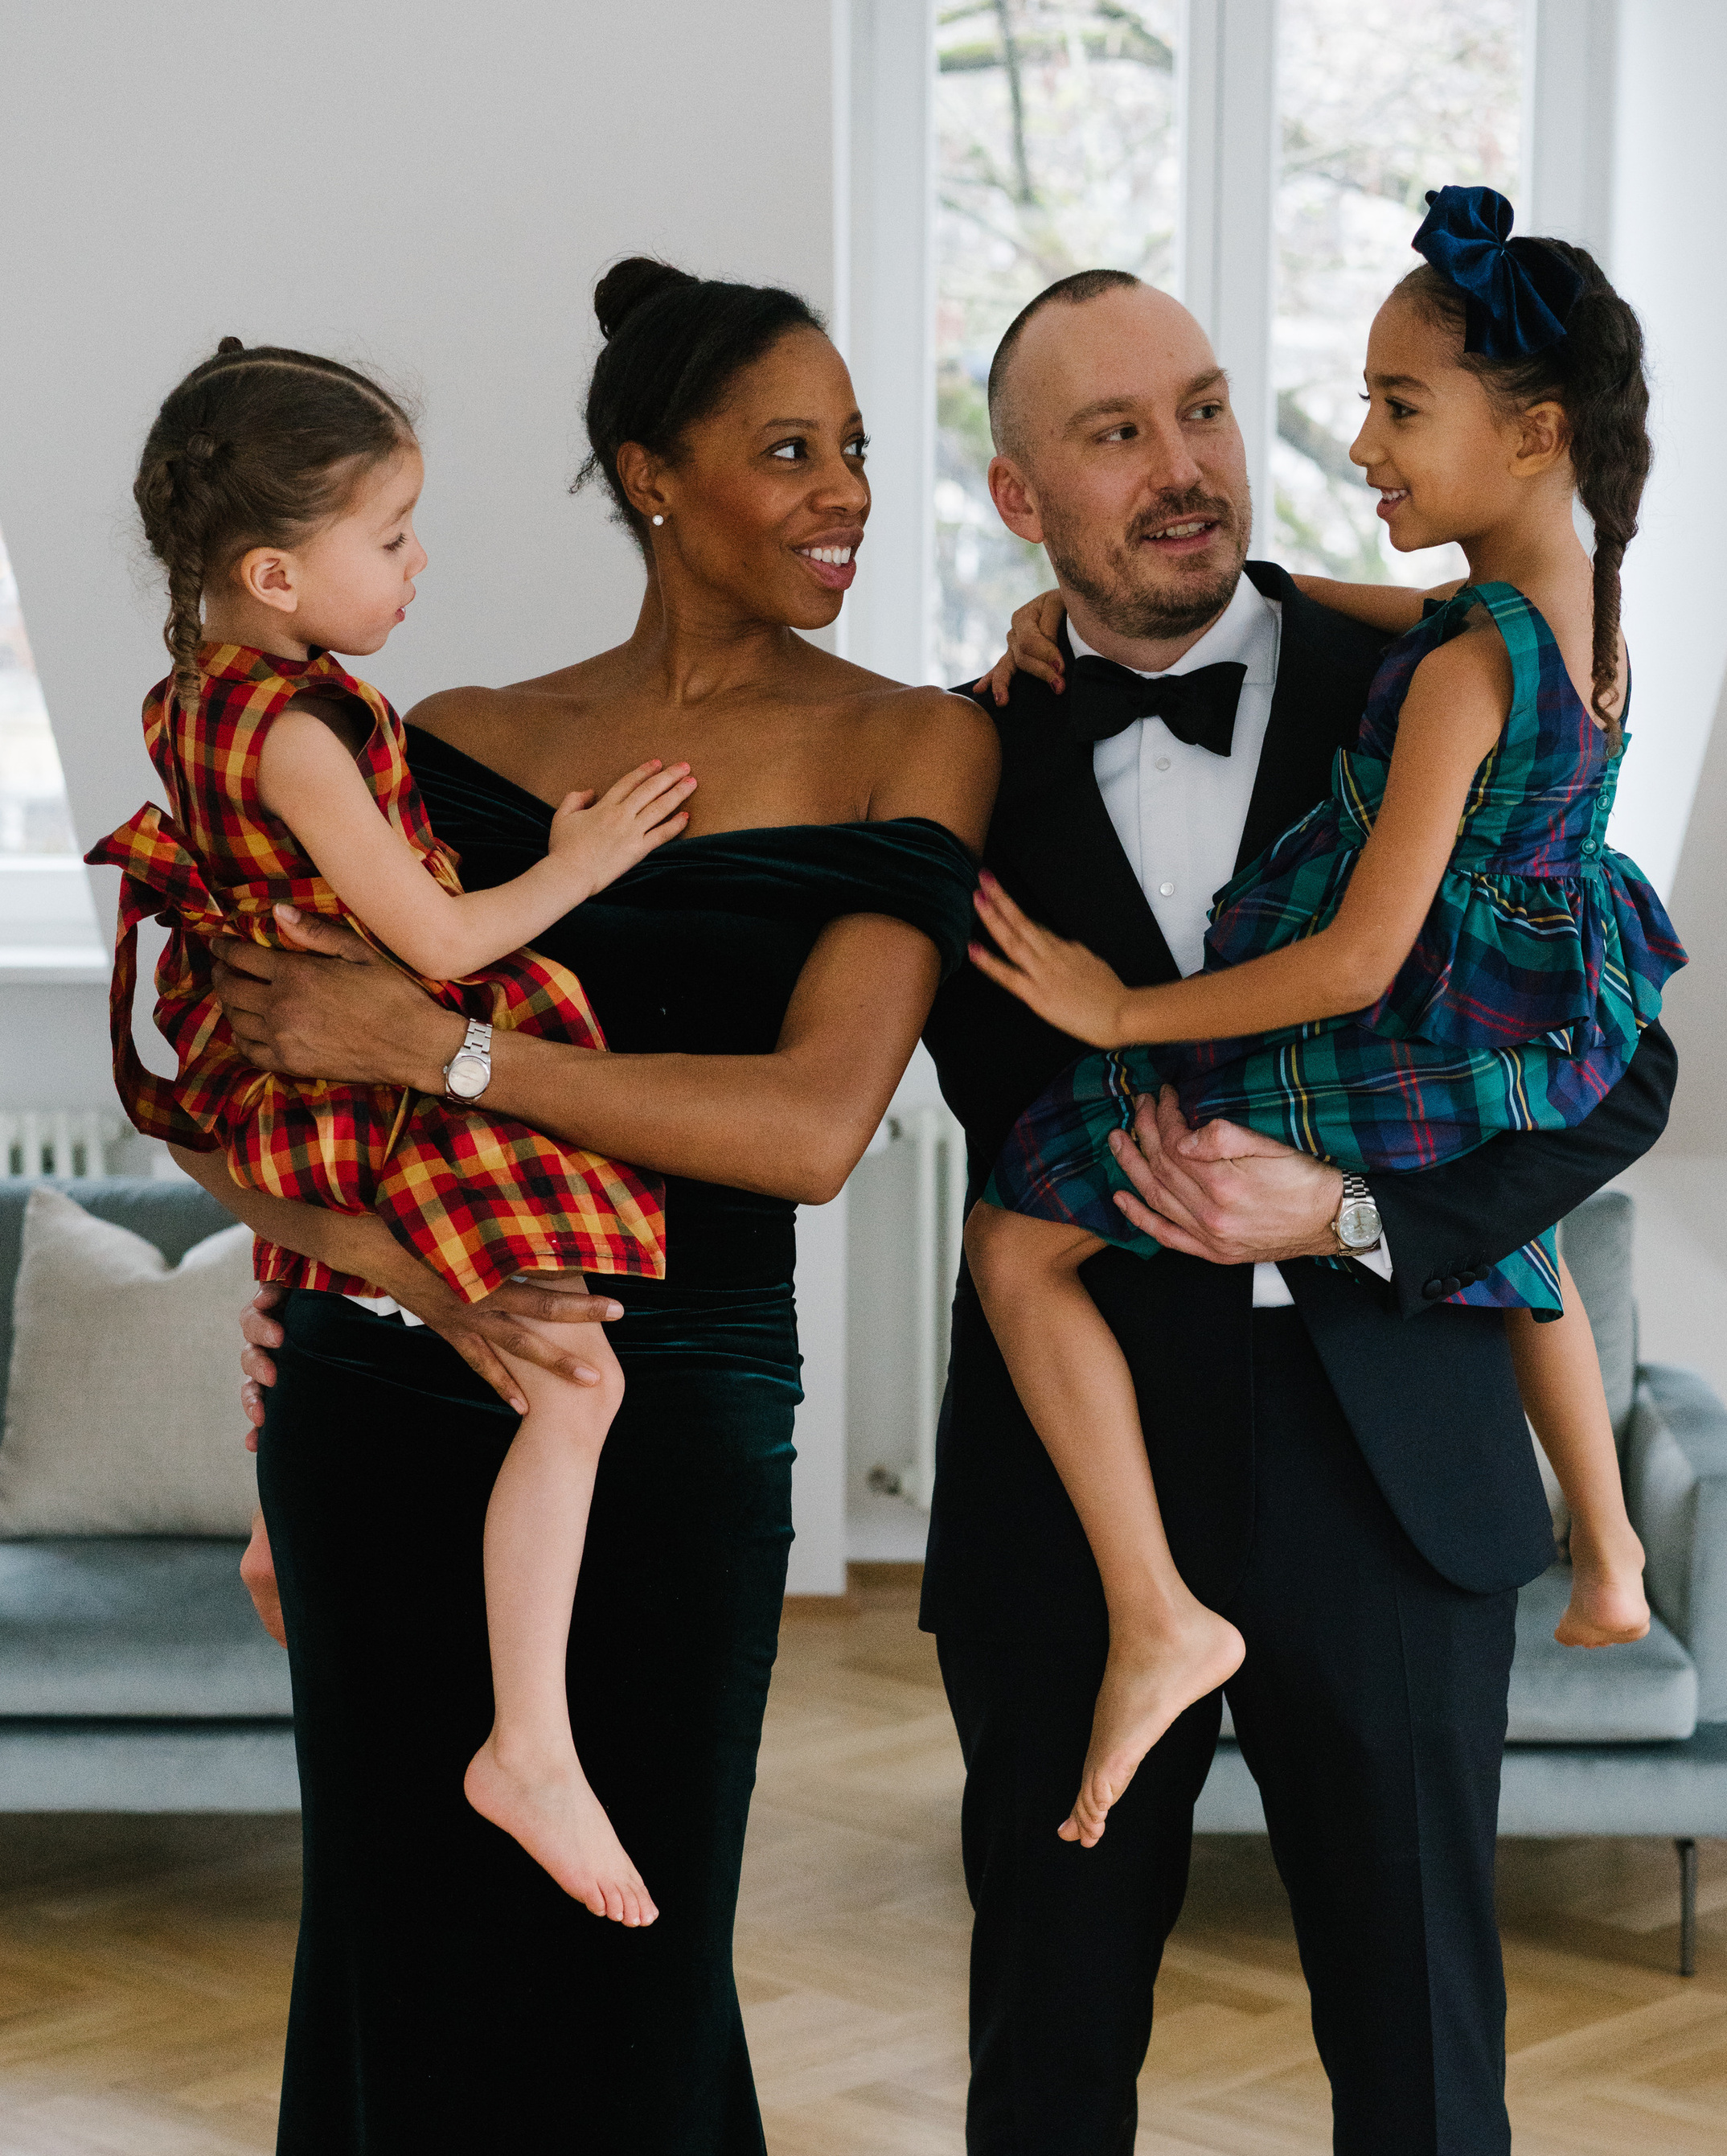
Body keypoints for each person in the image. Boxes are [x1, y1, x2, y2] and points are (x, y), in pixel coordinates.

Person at [175, 260, 997, 2152]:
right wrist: (339, 1277)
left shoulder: (919, 744)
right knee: (395, 1948)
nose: (847, 490)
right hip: (380, 1391)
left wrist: (443, 1052)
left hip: (679, 1393)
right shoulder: (438, 736)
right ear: (650, 472)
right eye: (789, 448)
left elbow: (808, 1130)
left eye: (857, 449)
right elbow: (252, 1064)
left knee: (634, 1954)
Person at [918, 257, 1676, 2150]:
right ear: (1022, 501)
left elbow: (1624, 1070)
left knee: (1425, 2067)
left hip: (1395, 1466)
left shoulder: (1431, 669)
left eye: (1203, 409)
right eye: (1115, 433)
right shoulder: (947, 757)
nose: (1187, 465)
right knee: (1050, 2050)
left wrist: (1347, 1213)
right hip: (1070, 1510)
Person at [90, 338, 695, 1928]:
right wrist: (588, 856)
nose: (422, 564)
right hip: (359, 1070)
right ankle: (532, 1744)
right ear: (280, 570)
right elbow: (432, 941)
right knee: (579, 1377)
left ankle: (275, 1533)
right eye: (395, 534)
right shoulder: (299, 726)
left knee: (313, 1303)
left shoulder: (194, 698)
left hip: (277, 1071)